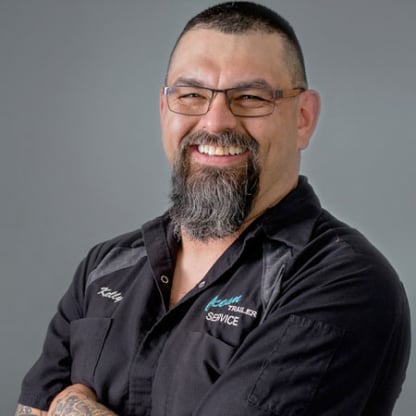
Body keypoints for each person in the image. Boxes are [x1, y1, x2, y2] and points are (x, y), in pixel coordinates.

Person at [15, 2, 410, 415]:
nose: (215, 122)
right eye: (191, 95)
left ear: (303, 118)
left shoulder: (344, 282)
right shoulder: (105, 267)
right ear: (164, 109)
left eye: (251, 97)